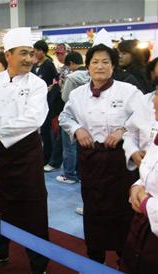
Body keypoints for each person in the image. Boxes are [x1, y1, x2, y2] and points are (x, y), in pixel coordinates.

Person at [59, 43, 143, 264]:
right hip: (92, 160)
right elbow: (64, 118)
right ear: (88, 67)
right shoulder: (77, 94)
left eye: (106, 61)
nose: (100, 66)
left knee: (123, 211)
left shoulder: (128, 91)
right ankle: (94, 257)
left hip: (120, 163)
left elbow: (144, 118)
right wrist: (78, 130)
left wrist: (123, 130)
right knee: (93, 210)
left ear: (113, 66)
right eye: (95, 62)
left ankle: (125, 258)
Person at [0, 28, 49, 274]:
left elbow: (34, 118)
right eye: (23, 53)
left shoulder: (37, 84)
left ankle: (39, 263)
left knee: (33, 209)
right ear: (7, 54)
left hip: (26, 153)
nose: (29, 59)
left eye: (31, 54)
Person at [120, 86, 158, 274]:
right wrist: (138, 185)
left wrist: (145, 202)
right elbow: (152, 168)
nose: (154, 103)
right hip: (143, 221)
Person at [57, 51, 89, 184]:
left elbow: (65, 97)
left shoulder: (71, 77)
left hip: (71, 115)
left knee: (68, 147)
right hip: (86, 115)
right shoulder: (89, 75)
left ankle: (69, 175)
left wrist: (61, 86)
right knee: (81, 146)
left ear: (70, 63)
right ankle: (80, 172)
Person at [31, 40, 61, 172]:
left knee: (46, 131)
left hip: (47, 101)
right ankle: (42, 157)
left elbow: (56, 81)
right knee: (40, 132)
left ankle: (48, 158)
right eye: (35, 50)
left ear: (43, 51)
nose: (36, 53)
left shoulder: (49, 64)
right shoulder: (35, 64)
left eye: (38, 50)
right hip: (35, 100)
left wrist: (50, 89)